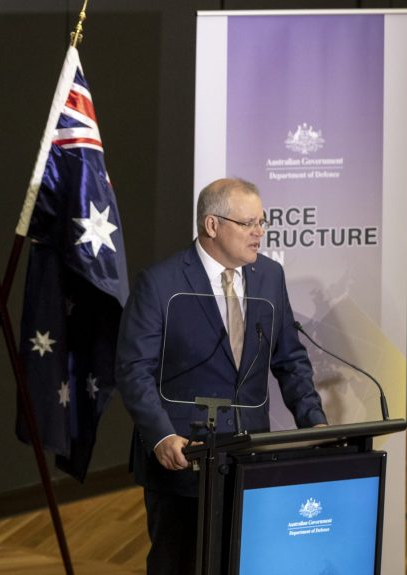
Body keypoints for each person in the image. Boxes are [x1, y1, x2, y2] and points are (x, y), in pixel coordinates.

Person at [115, 177, 327, 574]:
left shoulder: (269, 277)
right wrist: (161, 435)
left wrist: (315, 424)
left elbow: (290, 359)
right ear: (212, 225)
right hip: (183, 459)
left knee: (245, 563)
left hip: (249, 456)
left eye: (262, 223)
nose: (259, 233)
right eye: (248, 223)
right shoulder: (160, 283)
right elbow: (133, 370)